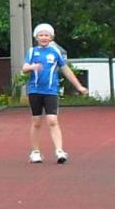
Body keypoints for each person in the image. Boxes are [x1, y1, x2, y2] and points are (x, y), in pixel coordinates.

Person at [22, 23, 88, 164]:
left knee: (52, 120)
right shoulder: (32, 52)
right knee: (36, 121)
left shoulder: (55, 52)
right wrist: (33, 67)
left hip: (51, 91)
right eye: (41, 35)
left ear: (51, 37)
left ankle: (59, 151)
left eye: (46, 35)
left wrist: (79, 86)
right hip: (35, 91)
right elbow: (24, 68)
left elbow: (66, 70)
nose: (44, 37)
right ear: (36, 37)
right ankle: (35, 152)